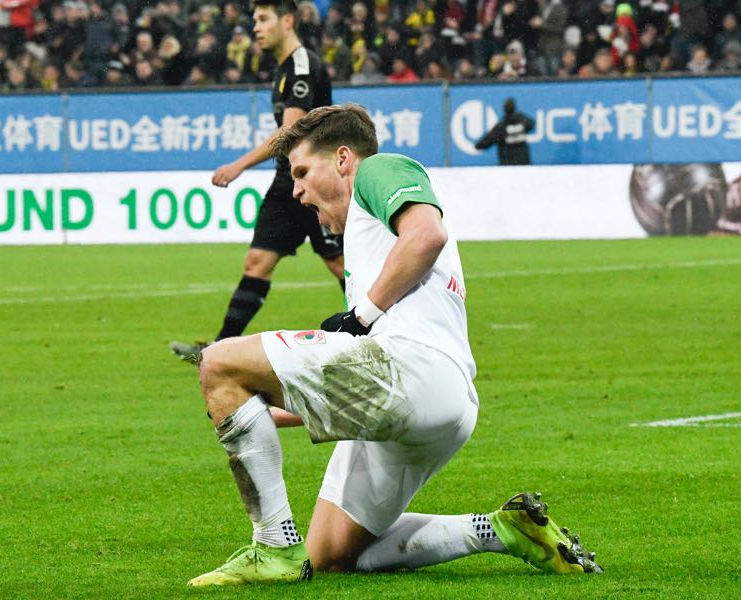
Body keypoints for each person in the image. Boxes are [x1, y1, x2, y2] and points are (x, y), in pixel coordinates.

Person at [187, 103, 602, 586]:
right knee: (330, 554)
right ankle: (501, 530)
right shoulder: (369, 243)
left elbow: (427, 235)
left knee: (217, 362)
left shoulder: (380, 169)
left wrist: (360, 318)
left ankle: (273, 547)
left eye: (301, 172)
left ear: (343, 158)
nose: (296, 191)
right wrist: (274, 411)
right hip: (443, 402)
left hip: (409, 370)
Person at [170, 0, 342, 360]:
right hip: (288, 180)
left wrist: (239, 165)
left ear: (288, 21)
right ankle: (216, 352)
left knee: (340, 264)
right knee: (257, 263)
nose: (256, 28)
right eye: (255, 20)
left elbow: (291, 130)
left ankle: (383, 332)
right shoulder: (283, 68)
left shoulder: (302, 66)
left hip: (315, 181)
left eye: (263, 19)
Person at [474, 97, 535, 166]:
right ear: (515, 108)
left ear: (504, 109)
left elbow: (487, 141)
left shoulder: (501, 127)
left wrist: (477, 146)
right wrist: (519, 117)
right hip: (524, 163)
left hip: (507, 164)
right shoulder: (523, 122)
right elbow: (532, 123)